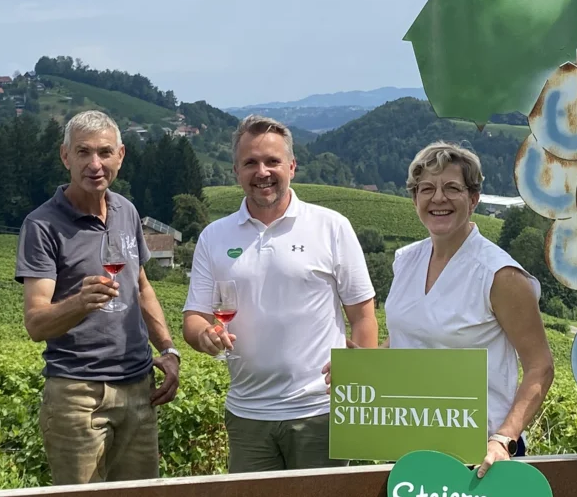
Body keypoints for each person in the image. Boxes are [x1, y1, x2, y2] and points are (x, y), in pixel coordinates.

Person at [183, 115, 378, 473]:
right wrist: (204, 336)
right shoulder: (215, 236)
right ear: (235, 171)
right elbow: (194, 317)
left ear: (292, 166)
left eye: (272, 161)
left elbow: (363, 313)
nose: (262, 172)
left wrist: (358, 373)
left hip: (320, 414)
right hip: (247, 415)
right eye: (250, 163)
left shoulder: (331, 226)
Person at [16, 110, 182, 485]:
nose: (95, 164)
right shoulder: (41, 225)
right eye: (83, 153)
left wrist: (169, 350)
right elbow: (35, 323)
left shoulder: (127, 211)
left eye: (105, 153)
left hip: (139, 388)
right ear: (65, 157)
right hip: (77, 394)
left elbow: (141, 288)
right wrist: (78, 302)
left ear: (120, 156)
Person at [383, 142, 553, 476]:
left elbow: (541, 366)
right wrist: (357, 369)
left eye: (452, 188)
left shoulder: (499, 275)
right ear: (414, 198)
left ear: (473, 199)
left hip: (479, 461)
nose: (438, 198)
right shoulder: (405, 261)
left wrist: (504, 438)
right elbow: (404, 341)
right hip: (409, 449)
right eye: (427, 189)